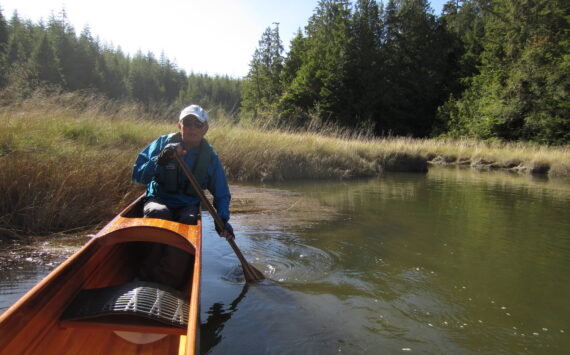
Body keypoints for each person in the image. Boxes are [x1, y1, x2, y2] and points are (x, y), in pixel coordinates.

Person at [132, 104, 234, 288]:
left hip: (187, 205)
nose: (192, 128)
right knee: (159, 214)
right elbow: (138, 176)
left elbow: (222, 193)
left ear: (205, 129)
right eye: (187, 123)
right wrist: (160, 160)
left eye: (198, 124)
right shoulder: (163, 144)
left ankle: (168, 282)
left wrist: (223, 219)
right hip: (159, 199)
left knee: (187, 220)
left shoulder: (210, 157)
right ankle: (144, 276)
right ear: (179, 125)